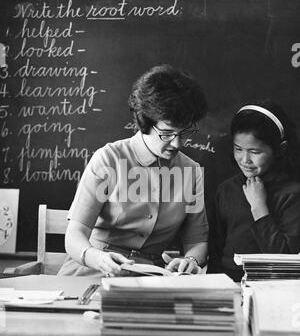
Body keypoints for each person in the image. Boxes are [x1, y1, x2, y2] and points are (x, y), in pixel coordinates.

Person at [58, 64, 209, 277]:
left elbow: (197, 241)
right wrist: (98, 258)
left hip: (151, 277)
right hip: (93, 271)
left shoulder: (190, 172)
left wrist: (191, 260)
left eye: (184, 133)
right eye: (167, 133)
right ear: (143, 122)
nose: (177, 144)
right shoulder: (109, 160)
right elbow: (74, 235)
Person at [208, 100, 300, 282]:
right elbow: (216, 248)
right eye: (238, 149)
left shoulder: (292, 194)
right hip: (228, 284)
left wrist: (259, 207)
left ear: (279, 150)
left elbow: (286, 259)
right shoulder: (227, 189)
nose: (245, 159)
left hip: (273, 287)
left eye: (255, 152)